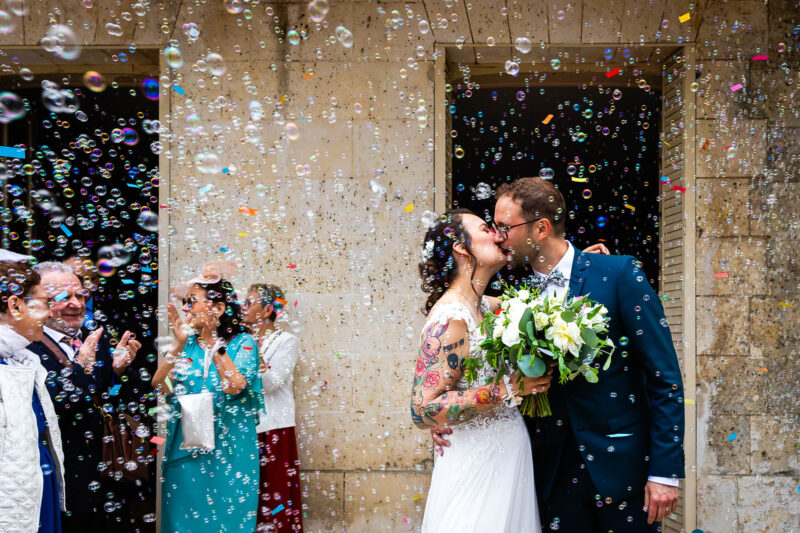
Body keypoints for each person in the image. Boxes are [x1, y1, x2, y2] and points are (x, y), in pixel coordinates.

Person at [433, 177, 685, 532]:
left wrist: (665, 472)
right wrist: (451, 414)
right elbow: (457, 336)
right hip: (545, 474)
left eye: (505, 227)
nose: (498, 236)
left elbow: (665, 378)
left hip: (623, 470)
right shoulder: (508, 294)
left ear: (541, 228)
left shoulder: (617, 275)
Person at [412, 208, 553, 532]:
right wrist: (507, 390)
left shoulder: (486, 307)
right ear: (461, 247)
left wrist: (578, 268)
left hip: (509, 460)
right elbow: (423, 410)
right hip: (477, 468)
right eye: (485, 228)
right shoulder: (450, 318)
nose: (498, 233)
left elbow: (540, 303)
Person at [27, 262, 142, 532]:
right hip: (57, 471)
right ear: (38, 302)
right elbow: (50, 406)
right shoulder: (27, 345)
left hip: (103, 469)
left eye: (80, 296)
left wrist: (119, 373)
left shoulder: (99, 338)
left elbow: (115, 399)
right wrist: (78, 369)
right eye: (62, 297)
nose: (75, 304)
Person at [153, 262, 263, 533]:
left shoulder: (244, 343)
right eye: (185, 302)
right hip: (186, 449)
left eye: (192, 301)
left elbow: (234, 386)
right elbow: (161, 385)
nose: (186, 308)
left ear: (219, 308)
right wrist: (177, 346)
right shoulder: (185, 344)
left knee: (227, 521)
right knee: (183, 521)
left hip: (230, 451)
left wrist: (215, 343)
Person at [0, 260, 66, 533]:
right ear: (15, 306)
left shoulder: (26, 360)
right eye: (44, 303)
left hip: (36, 487)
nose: (50, 313)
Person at [242, 283, 304, 532]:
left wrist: (254, 349)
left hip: (274, 427)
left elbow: (269, 383)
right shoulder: (238, 341)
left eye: (250, 302)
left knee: (276, 493)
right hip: (244, 426)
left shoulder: (286, 341)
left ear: (267, 309)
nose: (243, 307)